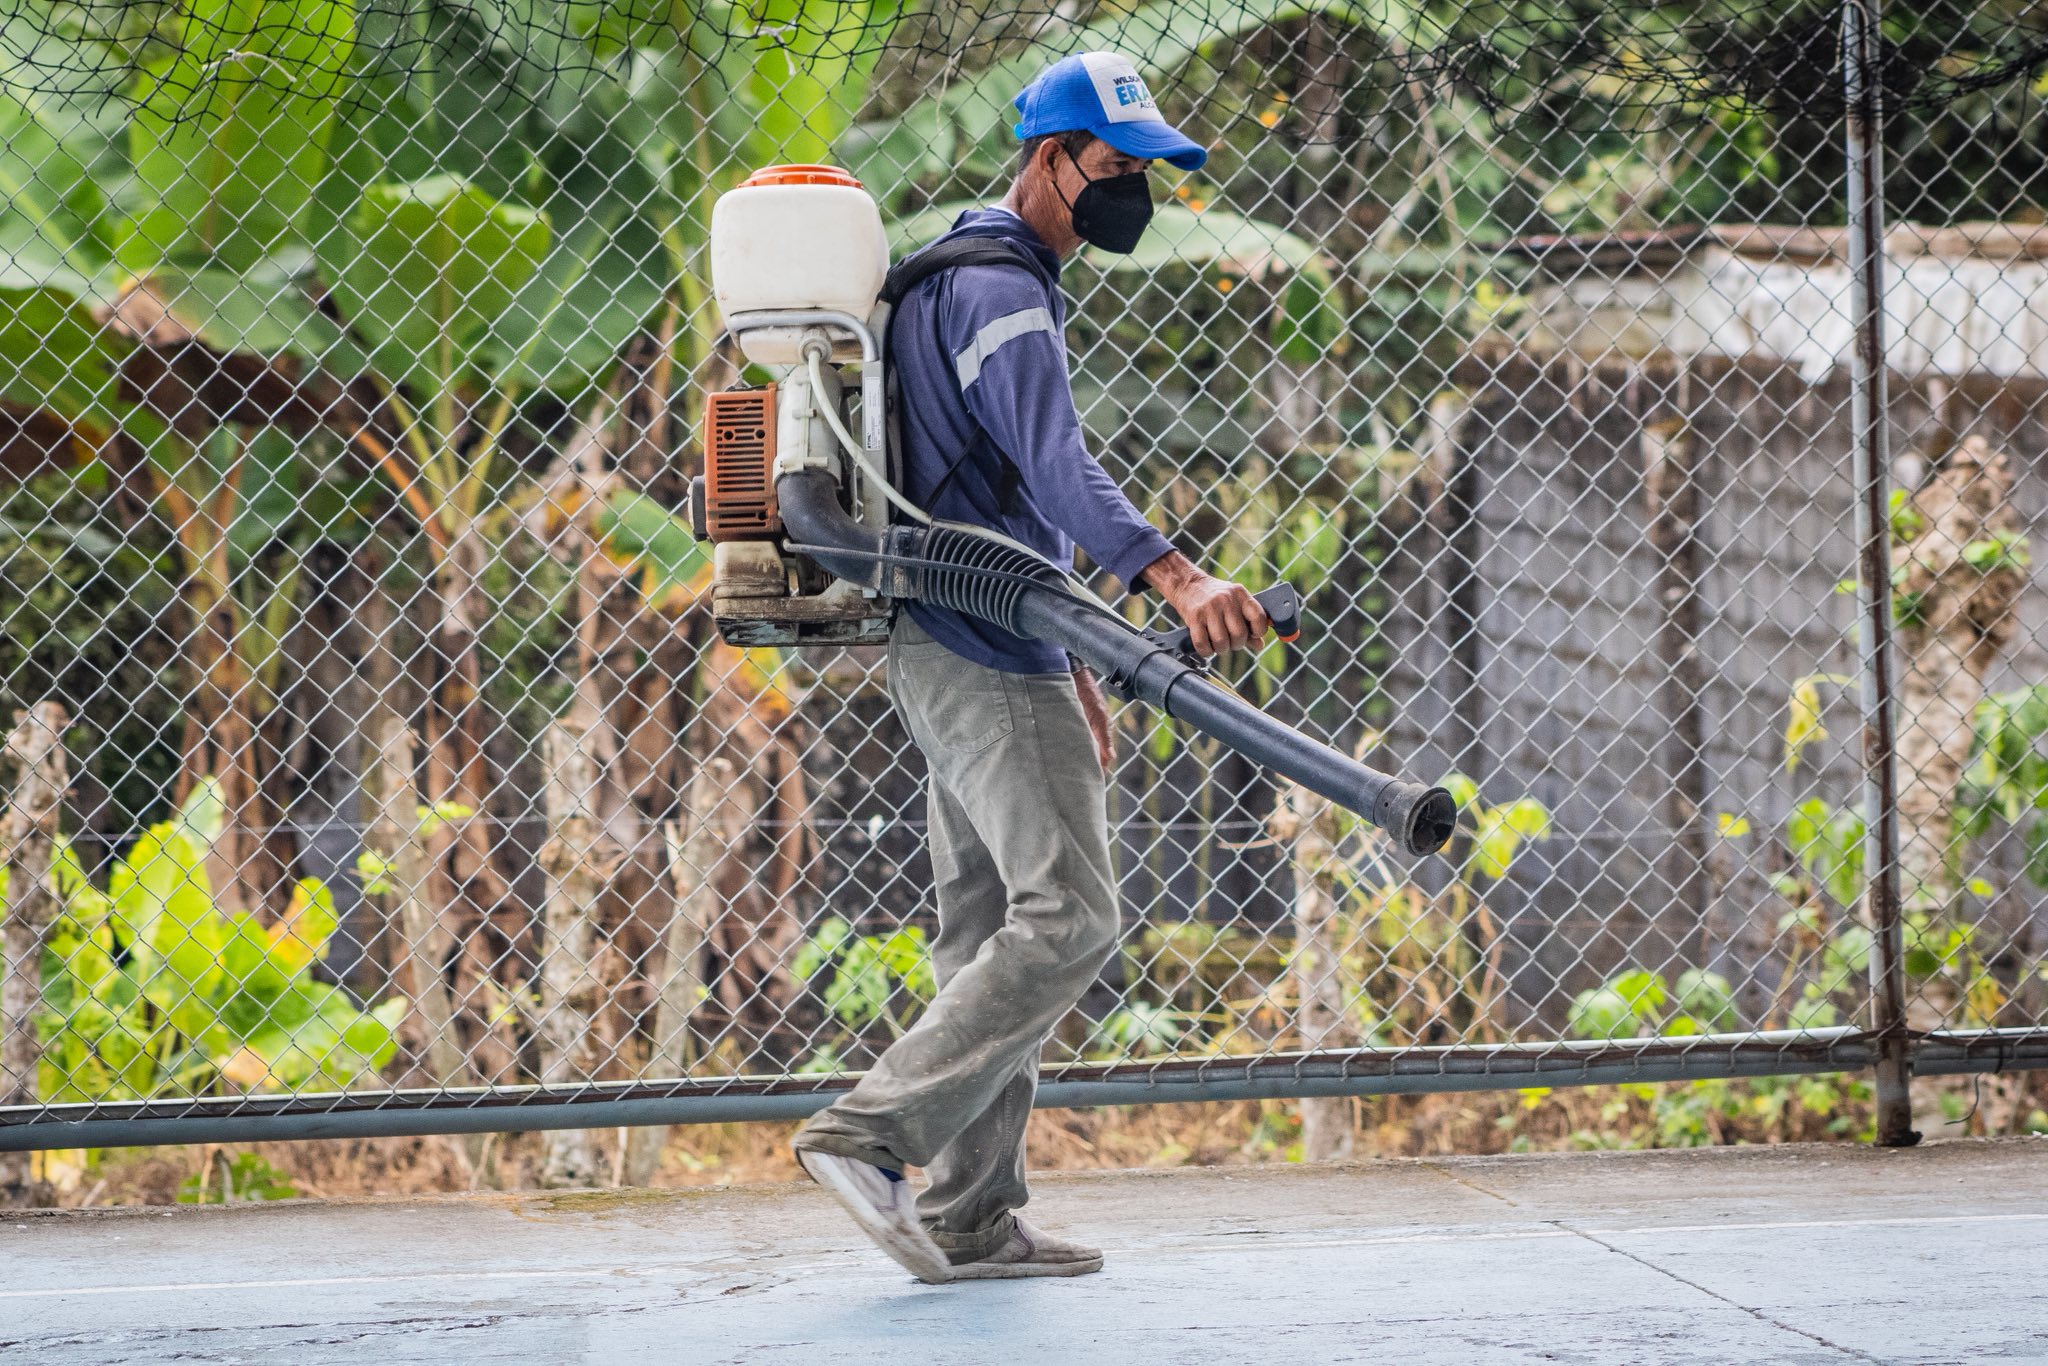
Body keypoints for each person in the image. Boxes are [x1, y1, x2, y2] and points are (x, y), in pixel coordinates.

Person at [791, 50, 1270, 1283]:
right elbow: (1057, 466)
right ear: (1049, 160)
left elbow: (999, 488)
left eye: (1146, 170)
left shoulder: (956, 264)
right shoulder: (1000, 289)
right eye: (1113, 167)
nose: (1132, 192)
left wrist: (1071, 654)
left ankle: (968, 1217)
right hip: (983, 645)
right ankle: (870, 1133)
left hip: (959, 637)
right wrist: (1174, 576)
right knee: (1070, 917)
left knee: (987, 927)